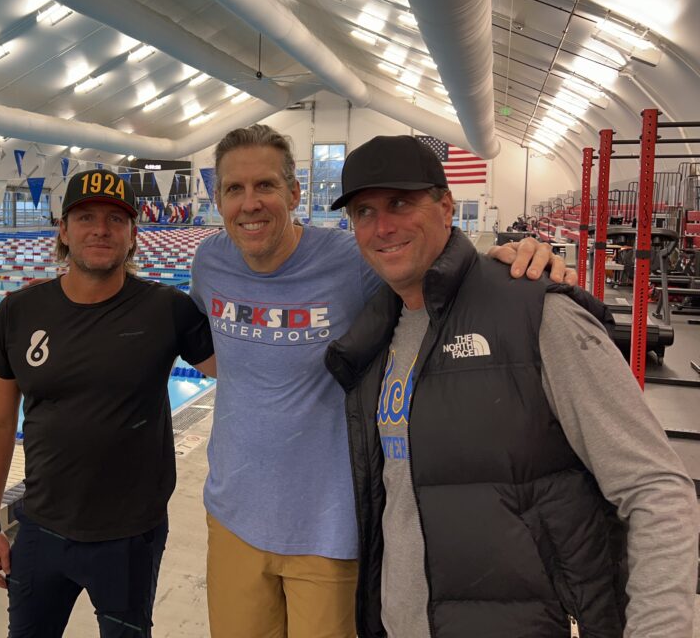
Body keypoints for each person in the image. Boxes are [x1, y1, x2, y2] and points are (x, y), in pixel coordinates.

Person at [190, 124, 572, 638]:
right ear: (218, 199)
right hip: (232, 517)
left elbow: (438, 271)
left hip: (330, 530)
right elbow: (217, 361)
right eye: (234, 189)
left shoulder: (353, 261)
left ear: (295, 193)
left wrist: (516, 260)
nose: (250, 203)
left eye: (266, 186)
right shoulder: (208, 263)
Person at [324, 135, 699, 638]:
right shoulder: (376, 334)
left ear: (445, 205)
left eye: (399, 203)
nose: (382, 226)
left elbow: (656, 488)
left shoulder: (538, 314)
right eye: (364, 212)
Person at [0, 168, 216, 638]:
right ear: (63, 231)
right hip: (41, 527)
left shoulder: (166, 309)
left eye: (116, 219)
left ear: (133, 235)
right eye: (85, 217)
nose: (100, 229)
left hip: (130, 536)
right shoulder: (18, 312)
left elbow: (243, 368)